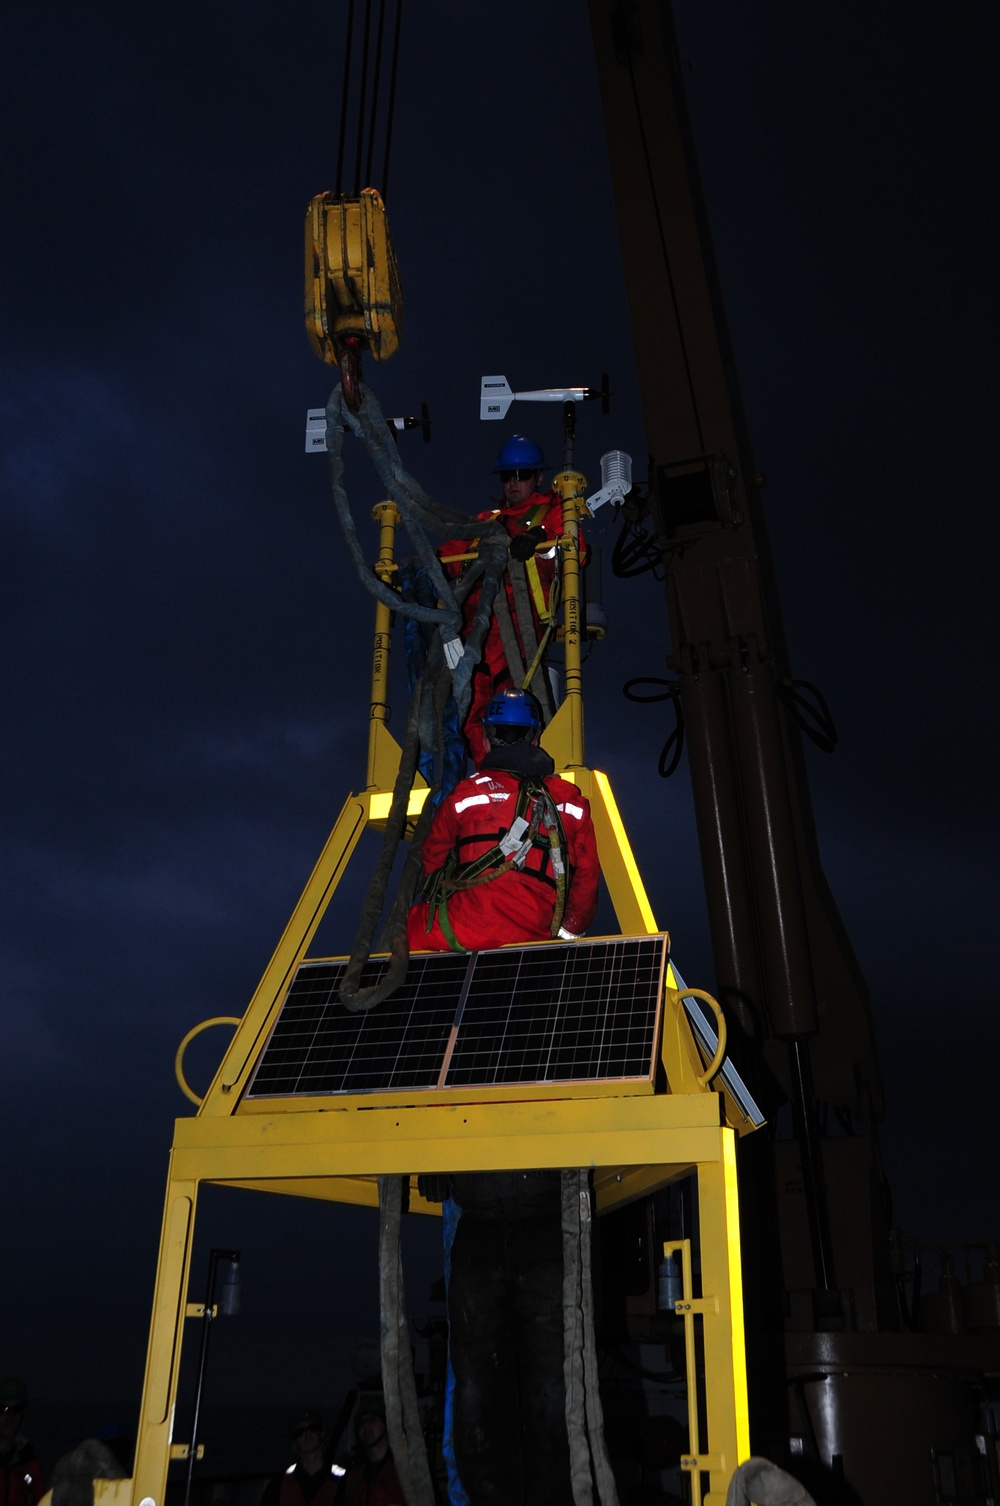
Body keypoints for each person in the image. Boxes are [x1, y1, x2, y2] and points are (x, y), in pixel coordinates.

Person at [406, 689, 599, 954]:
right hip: (534, 941)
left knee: (407, 934)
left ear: (486, 740)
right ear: (535, 740)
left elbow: (432, 863)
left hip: (461, 934)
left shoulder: (465, 793)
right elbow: (585, 884)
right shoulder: (571, 802)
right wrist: (565, 938)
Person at [438, 436, 583, 765]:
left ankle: (520, 773)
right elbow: (446, 558)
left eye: (522, 474)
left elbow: (577, 552)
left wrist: (540, 536)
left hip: (521, 632)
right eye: (508, 476)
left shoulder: (553, 513)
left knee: (516, 710)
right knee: (469, 710)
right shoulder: (486, 521)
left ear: (538, 477)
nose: (514, 483)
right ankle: (482, 776)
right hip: (474, 632)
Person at [260, 1409, 340, 1506]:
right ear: (293, 1442)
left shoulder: (345, 1480)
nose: (307, 1434)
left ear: (322, 1433)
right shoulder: (278, 1486)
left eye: (313, 1428)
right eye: (300, 1432)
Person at [335, 1398, 404, 1506]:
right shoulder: (353, 1475)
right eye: (361, 1422)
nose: (366, 1425)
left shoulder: (407, 1470)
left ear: (386, 1423)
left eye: (372, 1419)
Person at [0, 1379, 44, 1506]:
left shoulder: (29, 1460)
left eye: (17, 1409)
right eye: (3, 1409)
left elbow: (40, 1499)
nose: (10, 1416)